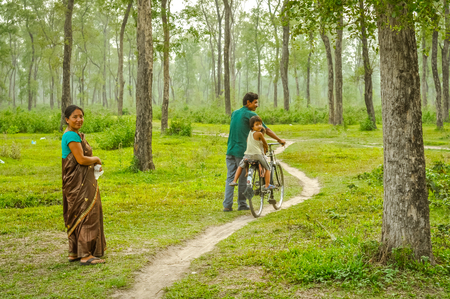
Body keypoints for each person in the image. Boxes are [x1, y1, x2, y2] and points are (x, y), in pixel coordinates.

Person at [224, 92, 285, 212]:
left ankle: (227, 205)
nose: (257, 105)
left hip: (230, 150)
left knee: (231, 178)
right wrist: (279, 140)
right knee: (243, 179)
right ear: (248, 102)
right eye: (255, 102)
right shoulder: (251, 115)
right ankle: (242, 204)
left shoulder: (235, 113)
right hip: (242, 151)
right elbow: (265, 129)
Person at [62, 105, 106, 265]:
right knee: (87, 214)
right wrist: (97, 159)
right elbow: (80, 160)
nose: (79, 119)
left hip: (77, 181)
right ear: (67, 119)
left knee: (76, 213)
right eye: (75, 117)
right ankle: (86, 254)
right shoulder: (72, 137)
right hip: (78, 183)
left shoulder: (72, 135)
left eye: (81, 116)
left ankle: (74, 252)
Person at [229, 116, 275, 190]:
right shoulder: (259, 134)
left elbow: (247, 141)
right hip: (257, 155)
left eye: (260, 124)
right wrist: (266, 148)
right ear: (252, 126)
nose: (259, 126)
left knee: (240, 166)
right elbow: (265, 143)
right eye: (257, 124)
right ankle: (267, 185)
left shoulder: (250, 133)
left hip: (247, 154)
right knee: (268, 168)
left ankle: (234, 180)